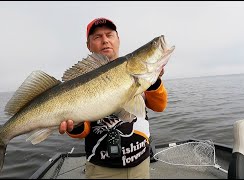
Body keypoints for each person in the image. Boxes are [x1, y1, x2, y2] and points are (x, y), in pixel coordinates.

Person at [58, 17, 168, 179]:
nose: (105, 40)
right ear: (88, 45)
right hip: (102, 168)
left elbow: (159, 106)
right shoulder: (81, 79)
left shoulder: (137, 73)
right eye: (97, 37)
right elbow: (84, 130)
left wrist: (153, 79)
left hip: (140, 162)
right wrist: (75, 126)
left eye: (109, 35)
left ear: (118, 40)